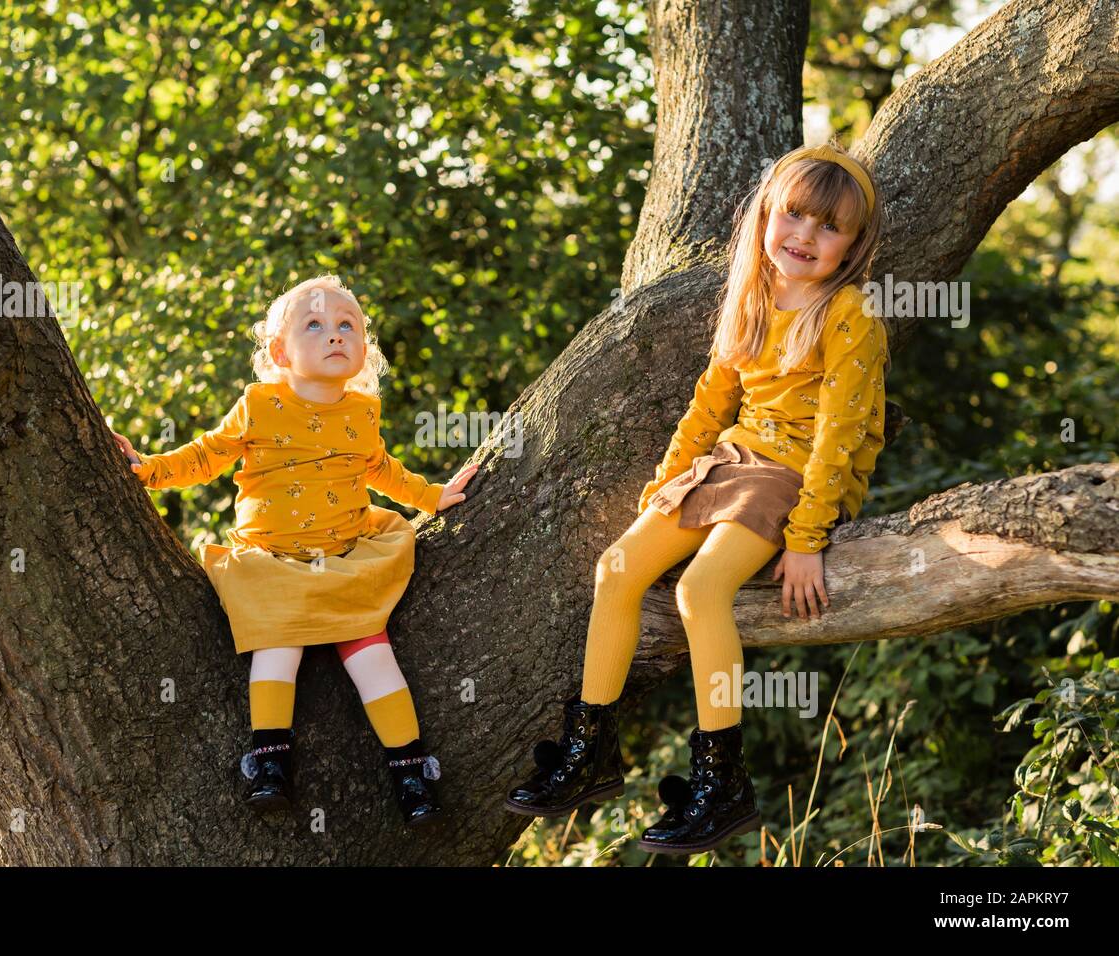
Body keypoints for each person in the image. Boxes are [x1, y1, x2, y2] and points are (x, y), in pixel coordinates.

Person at [503, 142, 891, 855]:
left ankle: (722, 782)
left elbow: (842, 434)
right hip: (728, 463)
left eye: (828, 227)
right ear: (767, 217)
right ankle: (590, 749)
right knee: (617, 570)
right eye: (794, 215)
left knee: (700, 592)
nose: (805, 236)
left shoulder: (847, 314)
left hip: (793, 475)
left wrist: (809, 538)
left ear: (854, 243)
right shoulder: (751, 297)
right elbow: (709, 405)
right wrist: (667, 484)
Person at [113, 275, 476, 826]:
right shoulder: (260, 404)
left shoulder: (361, 411)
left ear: (362, 348)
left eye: (347, 326)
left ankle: (409, 769)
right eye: (315, 325)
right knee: (276, 649)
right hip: (274, 560)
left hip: (345, 554)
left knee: (375, 657)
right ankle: (270, 759)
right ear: (281, 351)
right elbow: (208, 455)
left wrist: (431, 495)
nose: (334, 335)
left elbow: (380, 470)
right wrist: (150, 469)